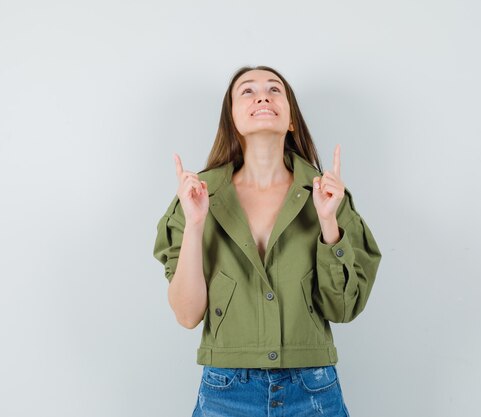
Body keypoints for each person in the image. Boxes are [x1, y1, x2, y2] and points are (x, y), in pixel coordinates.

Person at [153, 65, 382, 417]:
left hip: (313, 391)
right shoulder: (197, 196)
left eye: (275, 89)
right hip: (225, 394)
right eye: (247, 90)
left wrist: (327, 223)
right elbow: (187, 314)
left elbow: (343, 308)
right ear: (232, 119)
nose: (263, 95)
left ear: (291, 118)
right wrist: (196, 223)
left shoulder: (328, 195)